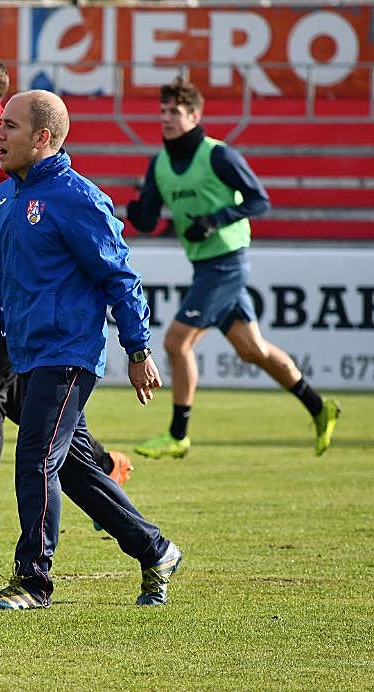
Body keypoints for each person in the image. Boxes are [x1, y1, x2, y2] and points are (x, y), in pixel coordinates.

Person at [0, 89, 182, 610]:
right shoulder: (6, 197)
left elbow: (120, 277)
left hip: (68, 354)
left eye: (9, 126)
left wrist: (138, 349)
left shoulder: (78, 198)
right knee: (75, 470)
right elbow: (4, 282)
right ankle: (156, 550)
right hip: (28, 353)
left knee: (35, 458)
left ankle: (33, 581)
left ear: (42, 137)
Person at [0, 50, 132, 548]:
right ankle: (108, 469)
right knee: (27, 406)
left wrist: (137, 345)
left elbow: (60, 221)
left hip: (31, 303)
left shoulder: (17, 144)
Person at [127, 77, 340, 460]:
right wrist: (136, 208)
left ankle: (178, 435)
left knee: (176, 343)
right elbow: (148, 220)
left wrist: (215, 219)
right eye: (163, 111)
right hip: (204, 266)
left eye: (175, 111)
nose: (166, 118)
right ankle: (318, 406)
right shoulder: (159, 164)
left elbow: (259, 200)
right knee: (252, 350)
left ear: (195, 116)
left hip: (226, 264)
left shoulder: (218, 155)